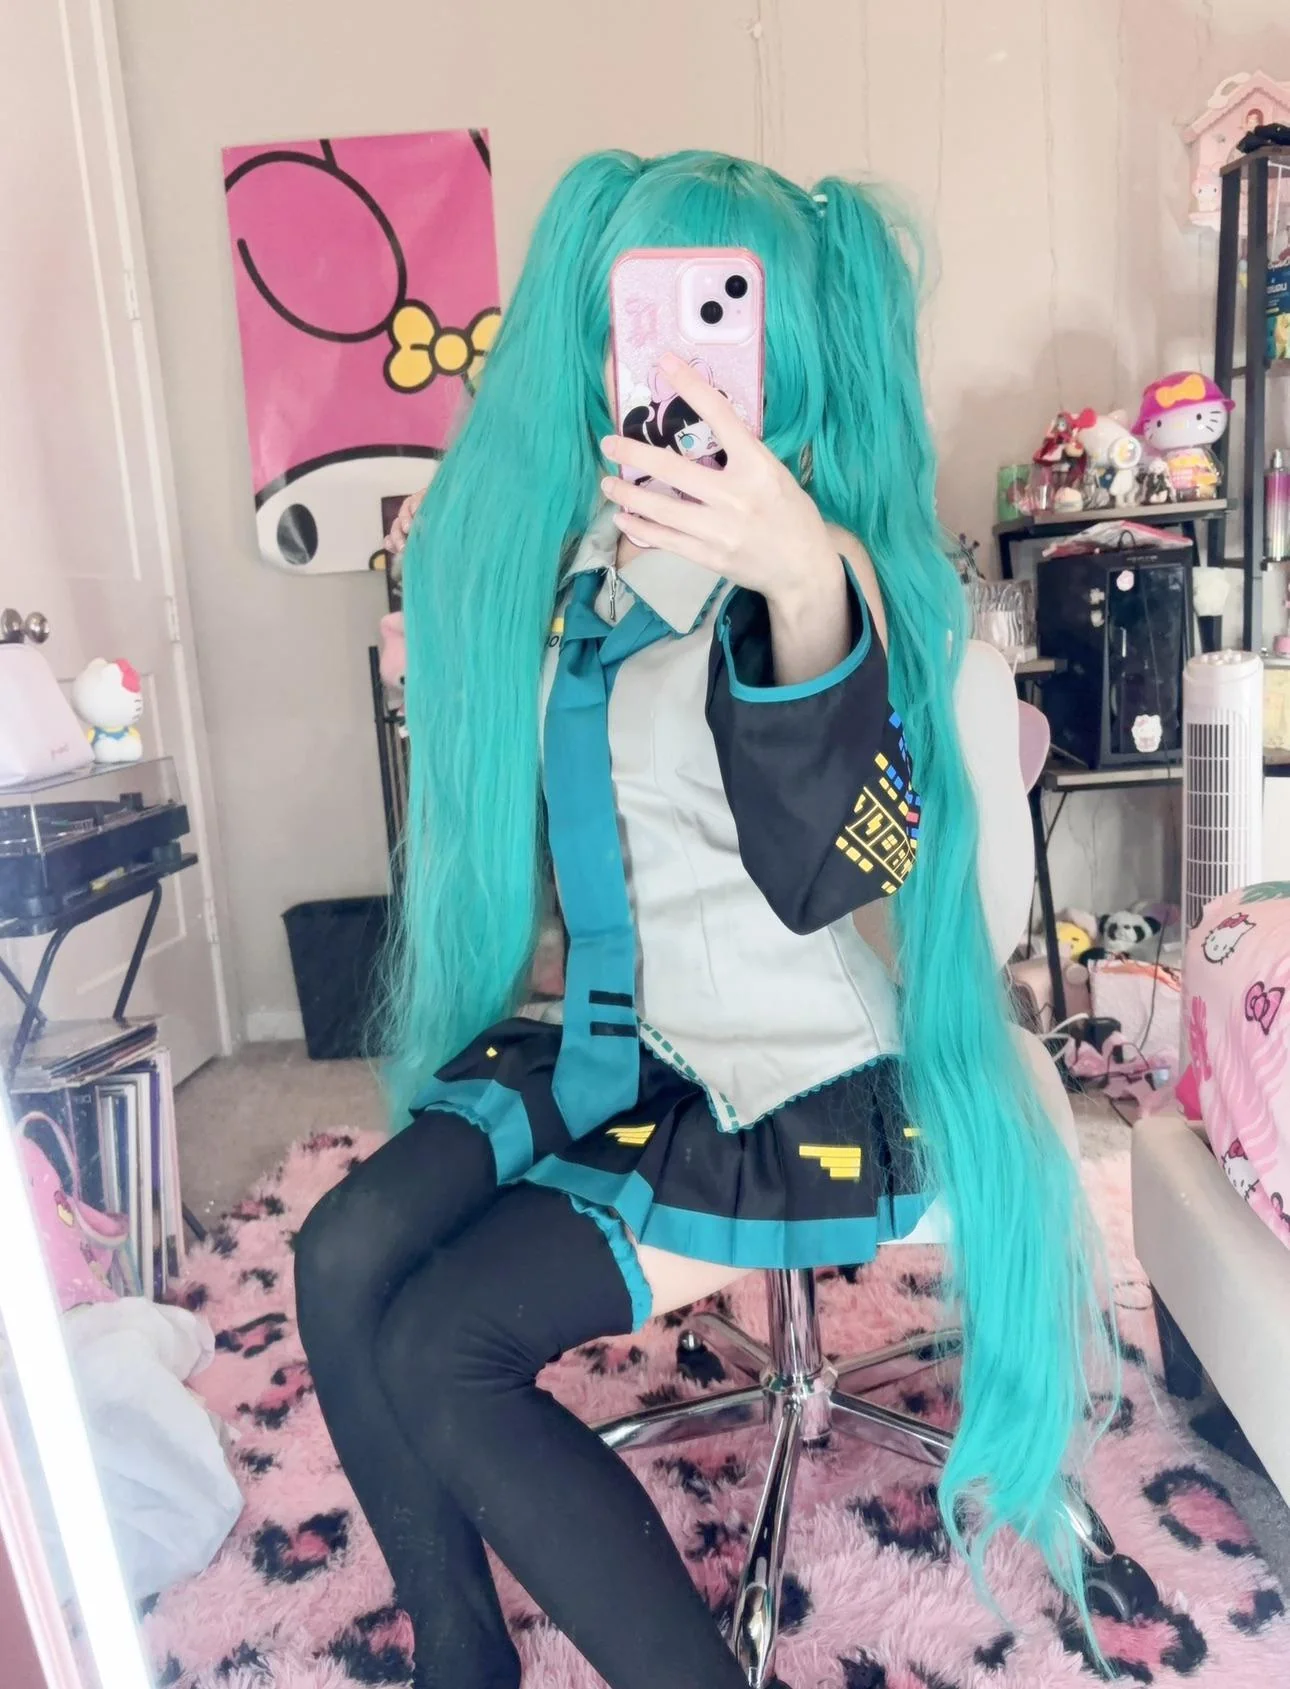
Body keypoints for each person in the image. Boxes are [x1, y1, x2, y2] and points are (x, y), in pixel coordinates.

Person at [295, 149, 1105, 1689]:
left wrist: (800, 587)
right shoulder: (597, 562)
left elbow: (828, 874)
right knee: (341, 1257)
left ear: (783, 351)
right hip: (627, 1033)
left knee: (442, 1348)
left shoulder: (817, 574)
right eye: (637, 320)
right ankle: (459, 1653)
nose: (670, 365)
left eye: (716, 318)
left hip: (789, 1074)